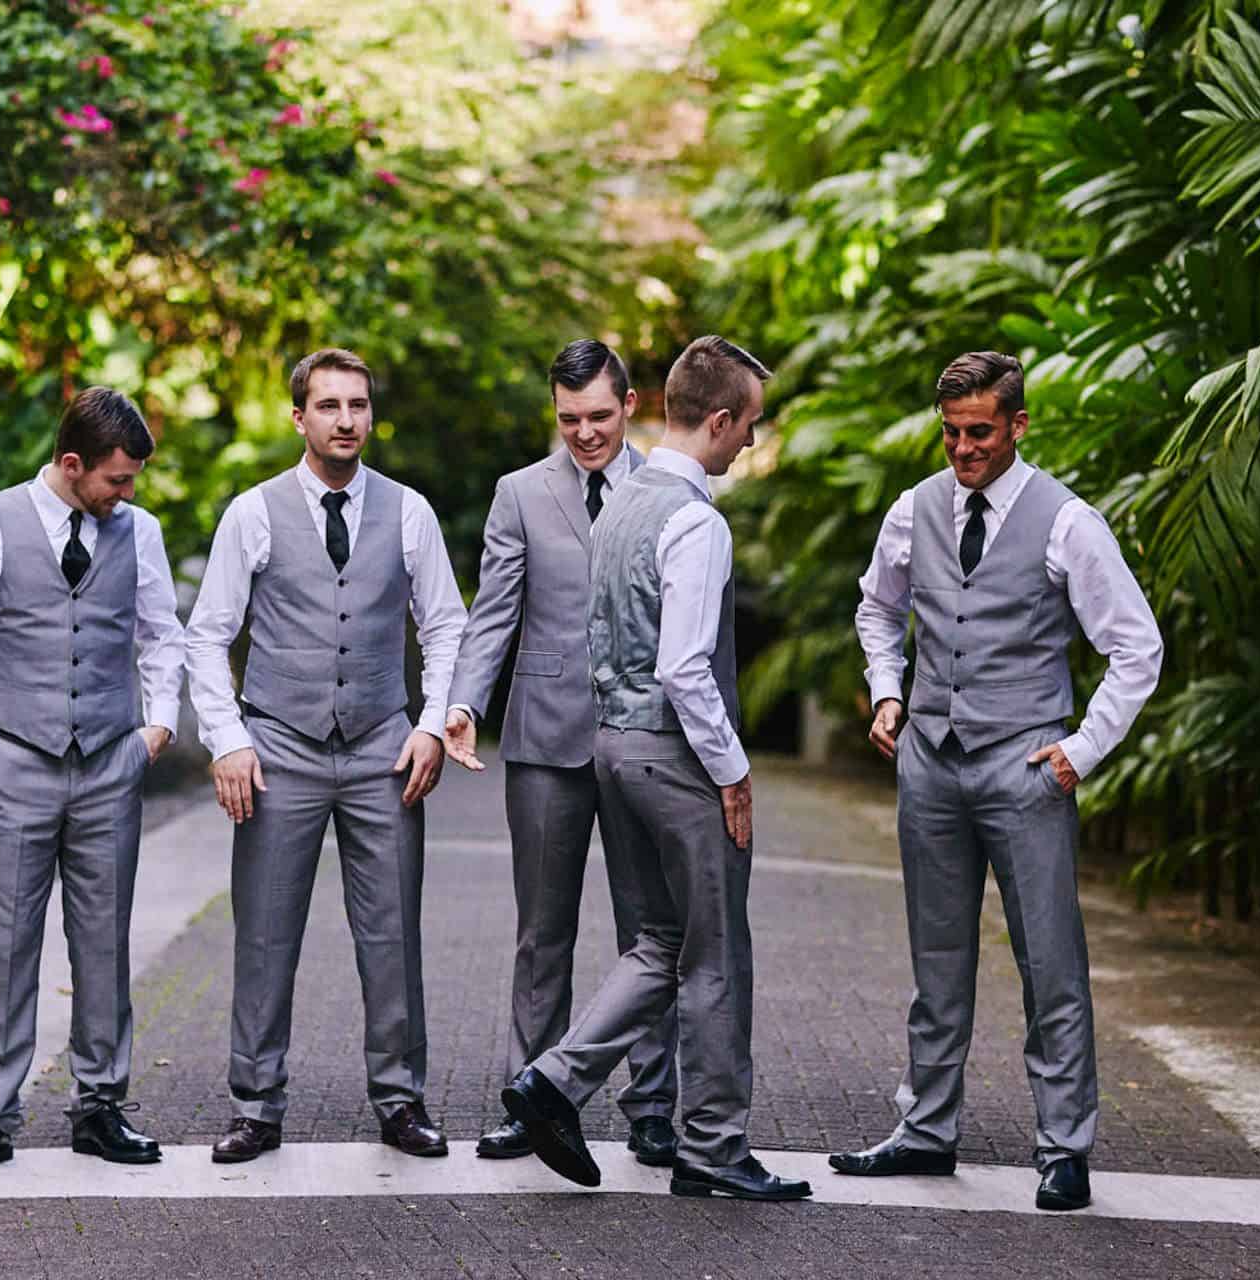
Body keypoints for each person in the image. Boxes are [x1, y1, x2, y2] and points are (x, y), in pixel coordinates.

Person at [830, 351, 1164, 1211]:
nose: (963, 449)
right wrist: (889, 690)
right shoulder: (915, 509)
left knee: (1050, 960)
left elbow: (1136, 648)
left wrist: (1080, 750)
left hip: (1026, 767)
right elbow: (877, 606)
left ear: (1018, 425)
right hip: (931, 766)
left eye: (980, 431)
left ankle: (1064, 1147)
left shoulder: (1068, 522)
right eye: (951, 432)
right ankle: (926, 1129)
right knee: (935, 959)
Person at [499, 335, 811, 1203]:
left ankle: (552, 1080)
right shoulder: (693, 520)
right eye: (747, 425)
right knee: (716, 955)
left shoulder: (620, 503)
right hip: (677, 760)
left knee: (658, 944)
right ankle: (713, 1145)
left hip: (608, 748)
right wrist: (734, 772)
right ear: (718, 420)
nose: (749, 441)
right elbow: (685, 667)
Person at [184, 348, 467, 1163]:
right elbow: (207, 636)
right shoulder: (254, 512)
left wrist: (429, 723)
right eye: (330, 405)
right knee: (265, 934)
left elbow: (445, 624)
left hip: (384, 743)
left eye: (359, 406)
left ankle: (400, 1100)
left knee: (392, 932)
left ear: (371, 416)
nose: (347, 420)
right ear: (298, 416)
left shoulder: (409, 512)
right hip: (278, 747)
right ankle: (256, 1106)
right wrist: (229, 739)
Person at [0, 387, 184, 1176]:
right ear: (71, 464)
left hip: (109, 766)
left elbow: (165, 636)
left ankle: (100, 1108)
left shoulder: (142, 533)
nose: (125, 494)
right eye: (116, 481)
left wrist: (154, 729)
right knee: (6, 946)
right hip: (14, 765)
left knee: (104, 943)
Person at [442, 339, 679, 1166]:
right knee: (542, 932)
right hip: (545, 741)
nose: (585, 434)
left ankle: (653, 1105)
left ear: (632, 404)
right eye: (569, 419)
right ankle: (533, 1096)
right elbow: (493, 613)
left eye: (600, 417)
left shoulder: (670, 488)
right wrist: (465, 702)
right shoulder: (519, 494)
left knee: (649, 930)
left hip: (645, 740)